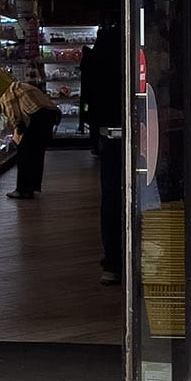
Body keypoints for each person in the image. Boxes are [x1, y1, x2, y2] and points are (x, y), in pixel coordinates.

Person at [80, 17, 123, 285]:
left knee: (111, 196)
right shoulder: (131, 47)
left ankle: (113, 262)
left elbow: (90, 95)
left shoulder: (100, 53)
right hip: (137, 131)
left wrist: (95, 130)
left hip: (110, 133)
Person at [0, 78, 61, 199]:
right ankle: (32, 186)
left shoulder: (5, 94)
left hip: (36, 116)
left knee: (24, 154)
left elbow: (16, 117)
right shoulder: (19, 86)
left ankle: (22, 190)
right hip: (50, 114)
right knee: (37, 152)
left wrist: (16, 138)